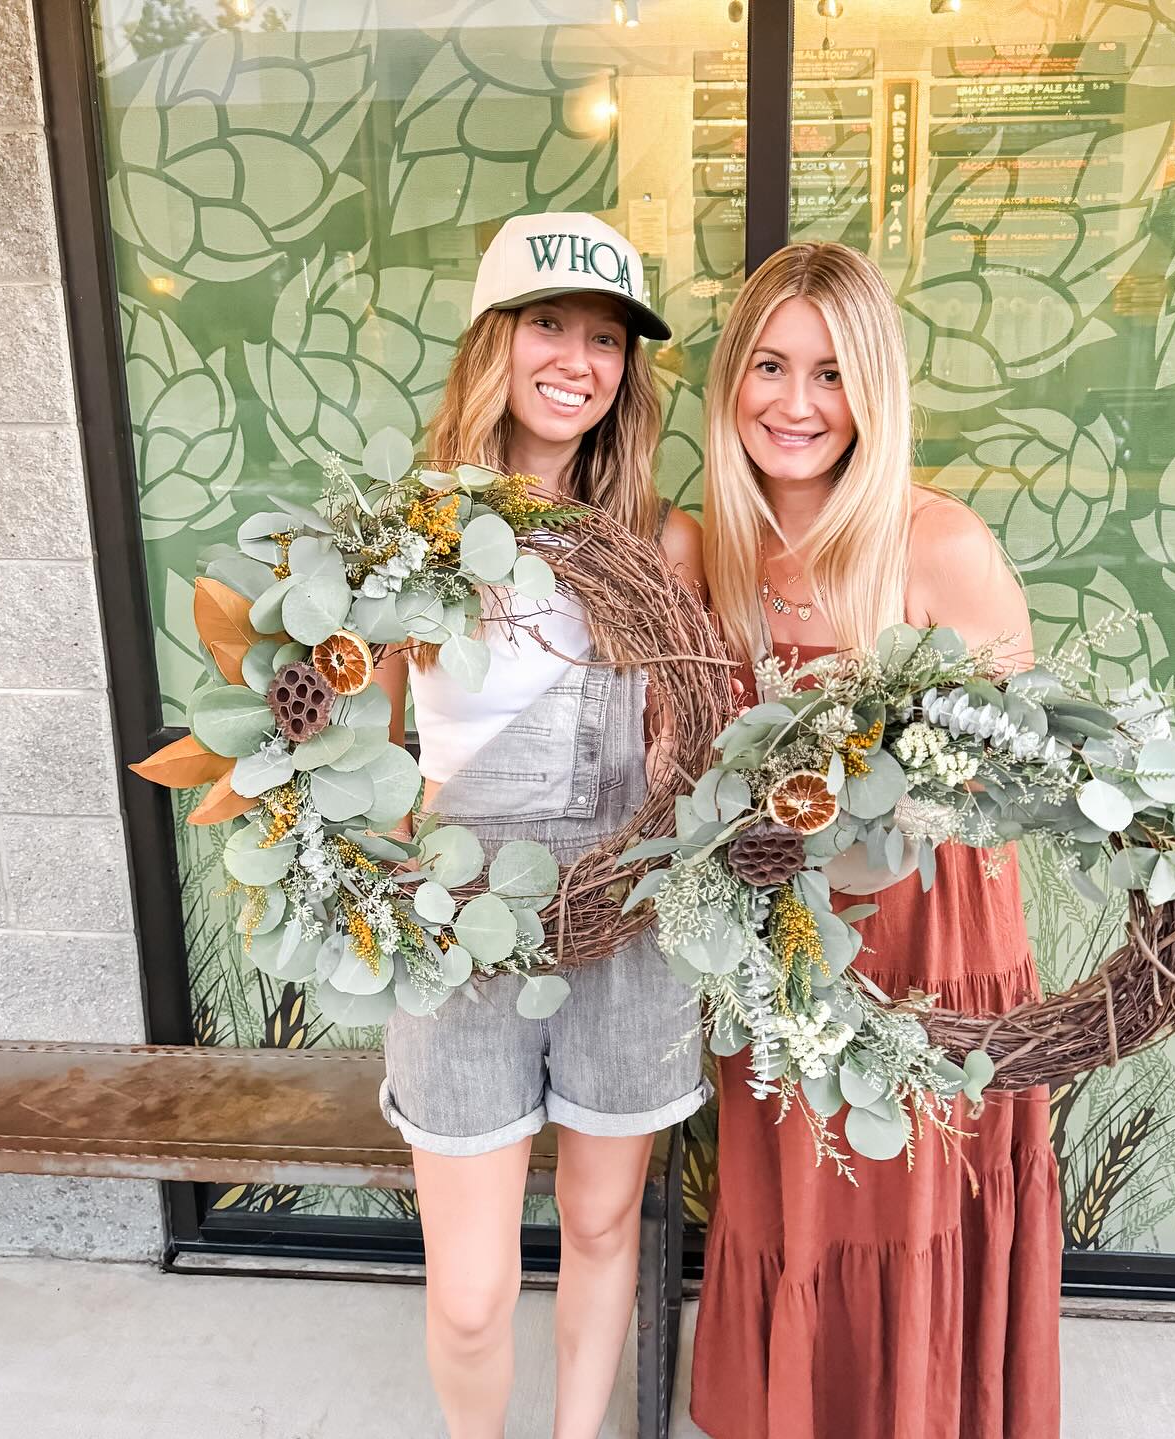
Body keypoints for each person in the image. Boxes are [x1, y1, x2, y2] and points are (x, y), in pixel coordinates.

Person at [690, 242, 1062, 1439]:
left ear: (874, 395)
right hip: (784, 951)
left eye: (833, 374)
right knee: (800, 1208)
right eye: (770, 365)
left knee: (910, 1212)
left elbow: (1022, 776)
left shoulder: (935, 541)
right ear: (731, 381)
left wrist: (881, 807)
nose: (795, 404)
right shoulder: (710, 552)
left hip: (927, 943)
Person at [375, 212, 708, 1439]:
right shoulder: (415, 541)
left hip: (623, 929)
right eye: (550, 325)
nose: (579, 358)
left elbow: (686, 739)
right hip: (458, 932)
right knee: (469, 1295)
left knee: (605, 1222)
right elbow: (351, 743)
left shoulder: (663, 543)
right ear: (493, 343)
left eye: (608, 337)